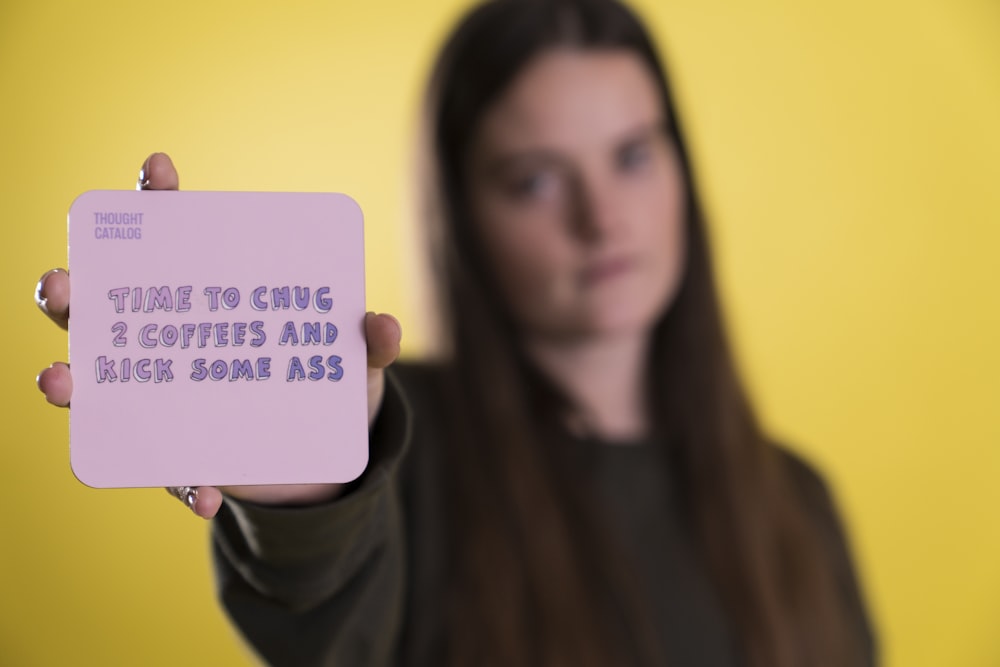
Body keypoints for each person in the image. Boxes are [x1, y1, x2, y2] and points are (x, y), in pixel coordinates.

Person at [35, 0, 876, 665]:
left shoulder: (798, 499)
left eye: (631, 156)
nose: (603, 219)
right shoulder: (398, 447)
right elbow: (327, 621)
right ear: (462, 219)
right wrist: (316, 494)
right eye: (538, 180)